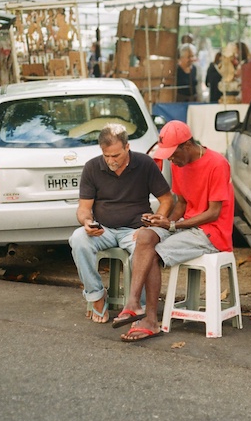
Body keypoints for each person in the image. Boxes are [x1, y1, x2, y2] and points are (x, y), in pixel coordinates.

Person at [111, 121, 234, 342]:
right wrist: (163, 220)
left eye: (173, 153)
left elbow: (214, 213)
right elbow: (182, 203)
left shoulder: (217, 163)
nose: (170, 159)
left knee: (153, 253)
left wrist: (173, 226)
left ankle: (150, 320)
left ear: (187, 145)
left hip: (211, 232)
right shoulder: (179, 164)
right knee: (146, 235)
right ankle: (132, 304)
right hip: (186, 225)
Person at [69, 123, 174, 323]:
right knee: (78, 239)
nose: (110, 161)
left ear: (127, 147)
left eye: (115, 156)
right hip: (104, 229)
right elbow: (83, 208)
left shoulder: (144, 164)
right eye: (106, 155)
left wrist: (151, 227)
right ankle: (97, 296)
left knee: (144, 249)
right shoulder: (92, 167)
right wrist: (87, 222)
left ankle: (139, 307)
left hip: (136, 229)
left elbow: (167, 200)